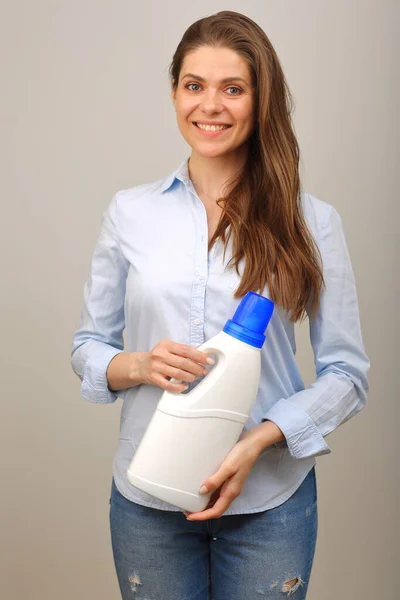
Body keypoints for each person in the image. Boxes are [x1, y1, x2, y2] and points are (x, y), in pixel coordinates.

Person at [70, 10, 370, 599]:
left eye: (233, 88)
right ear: (175, 93)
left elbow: (348, 376)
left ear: (262, 101)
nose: (210, 105)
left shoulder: (312, 222)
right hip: (148, 500)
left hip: (269, 504)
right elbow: (87, 349)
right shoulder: (131, 213)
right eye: (194, 85)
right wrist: (139, 365)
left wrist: (260, 440)